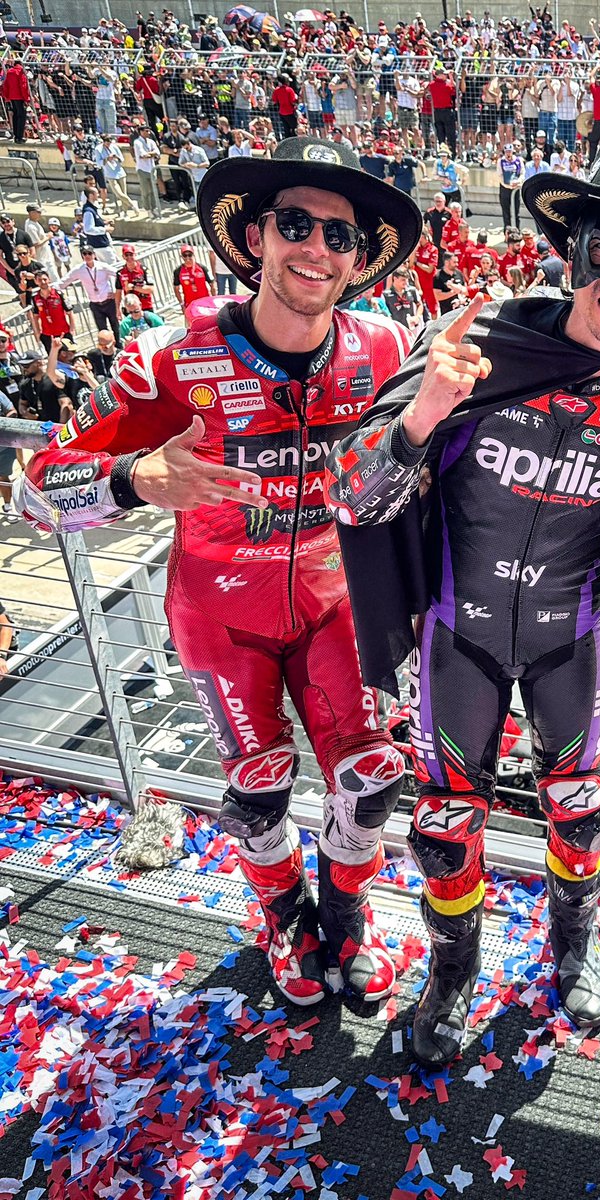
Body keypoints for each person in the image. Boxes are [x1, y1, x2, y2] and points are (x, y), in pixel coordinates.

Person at [326, 122, 600, 1068]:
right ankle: (453, 972)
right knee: (442, 823)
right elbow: (353, 495)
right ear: (572, 248)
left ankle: (574, 947)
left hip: (574, 639)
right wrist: (426, 409)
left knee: (579, 811)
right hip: (455, 636)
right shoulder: (475, 344)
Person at [18, 137, 422, 1009]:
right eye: (295, 225)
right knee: (259, 784)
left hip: (338, 608)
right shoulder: (166, 356)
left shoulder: (389, 346)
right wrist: (134, 480)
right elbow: (34, 493)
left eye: (339, 236)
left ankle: (348, 921)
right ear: (254, 237)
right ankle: (284, 919)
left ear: (359, 260)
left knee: (371, 776)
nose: (316, 247)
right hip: (217, 615)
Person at [172, 244, 214, 323]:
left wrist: (213, 299)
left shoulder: (202, 268)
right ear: (182, 257)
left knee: (208, 324)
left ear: (193, 255)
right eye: (185, 255)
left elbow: (212, 283)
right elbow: (176, 288)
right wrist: (181, 304)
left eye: (189, 255)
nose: (187, 258)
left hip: (204, 303)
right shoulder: (178, 271)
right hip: (190, 304)